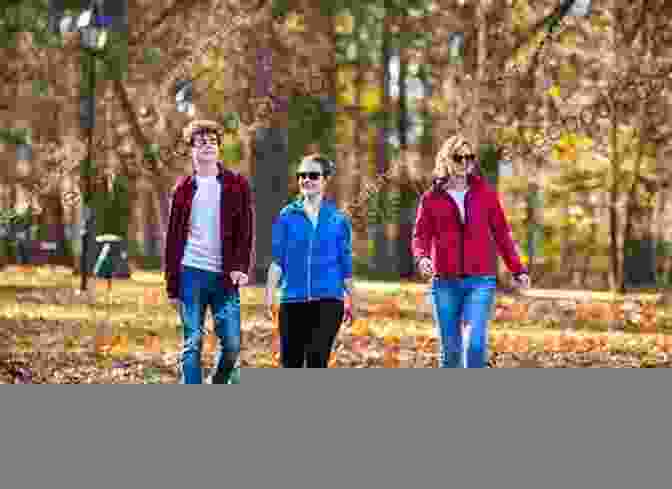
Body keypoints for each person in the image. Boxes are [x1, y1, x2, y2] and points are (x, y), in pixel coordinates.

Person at [412, 134, 530, 368]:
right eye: (459, 157)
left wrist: (518, 269)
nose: (465, 162)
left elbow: (502, 234)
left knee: (475, 345)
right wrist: (423, 257)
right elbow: (421, 235)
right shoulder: (431, 198)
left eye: (470, 157)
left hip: (480, 280)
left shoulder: (485, 193)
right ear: (446, 160)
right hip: (445, 282)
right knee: (451, 353)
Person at [164, 120, 254, 383]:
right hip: (190, 272)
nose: (207, 145)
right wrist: (172, 286)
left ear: (218, 149)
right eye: (201, 142)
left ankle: (217, 382)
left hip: (225, 276)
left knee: (232, 345)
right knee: (192, 344)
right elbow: (172, 241)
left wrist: (240, 266)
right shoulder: (182, 190)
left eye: (212, 142)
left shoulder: (237, 185)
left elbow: (245, 230)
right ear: (191, 149)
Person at [264, 153, 355, 368]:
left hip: (329, 300)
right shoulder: (287, 215)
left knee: (317, 360)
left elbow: (345, 263)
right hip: (292, 301)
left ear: (325, 180)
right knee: (291, 363)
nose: (306, 180)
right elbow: (278, 259)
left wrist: (352, 297)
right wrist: (269, 294)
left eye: (313, 175)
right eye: (302, 175)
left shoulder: (337, 219)